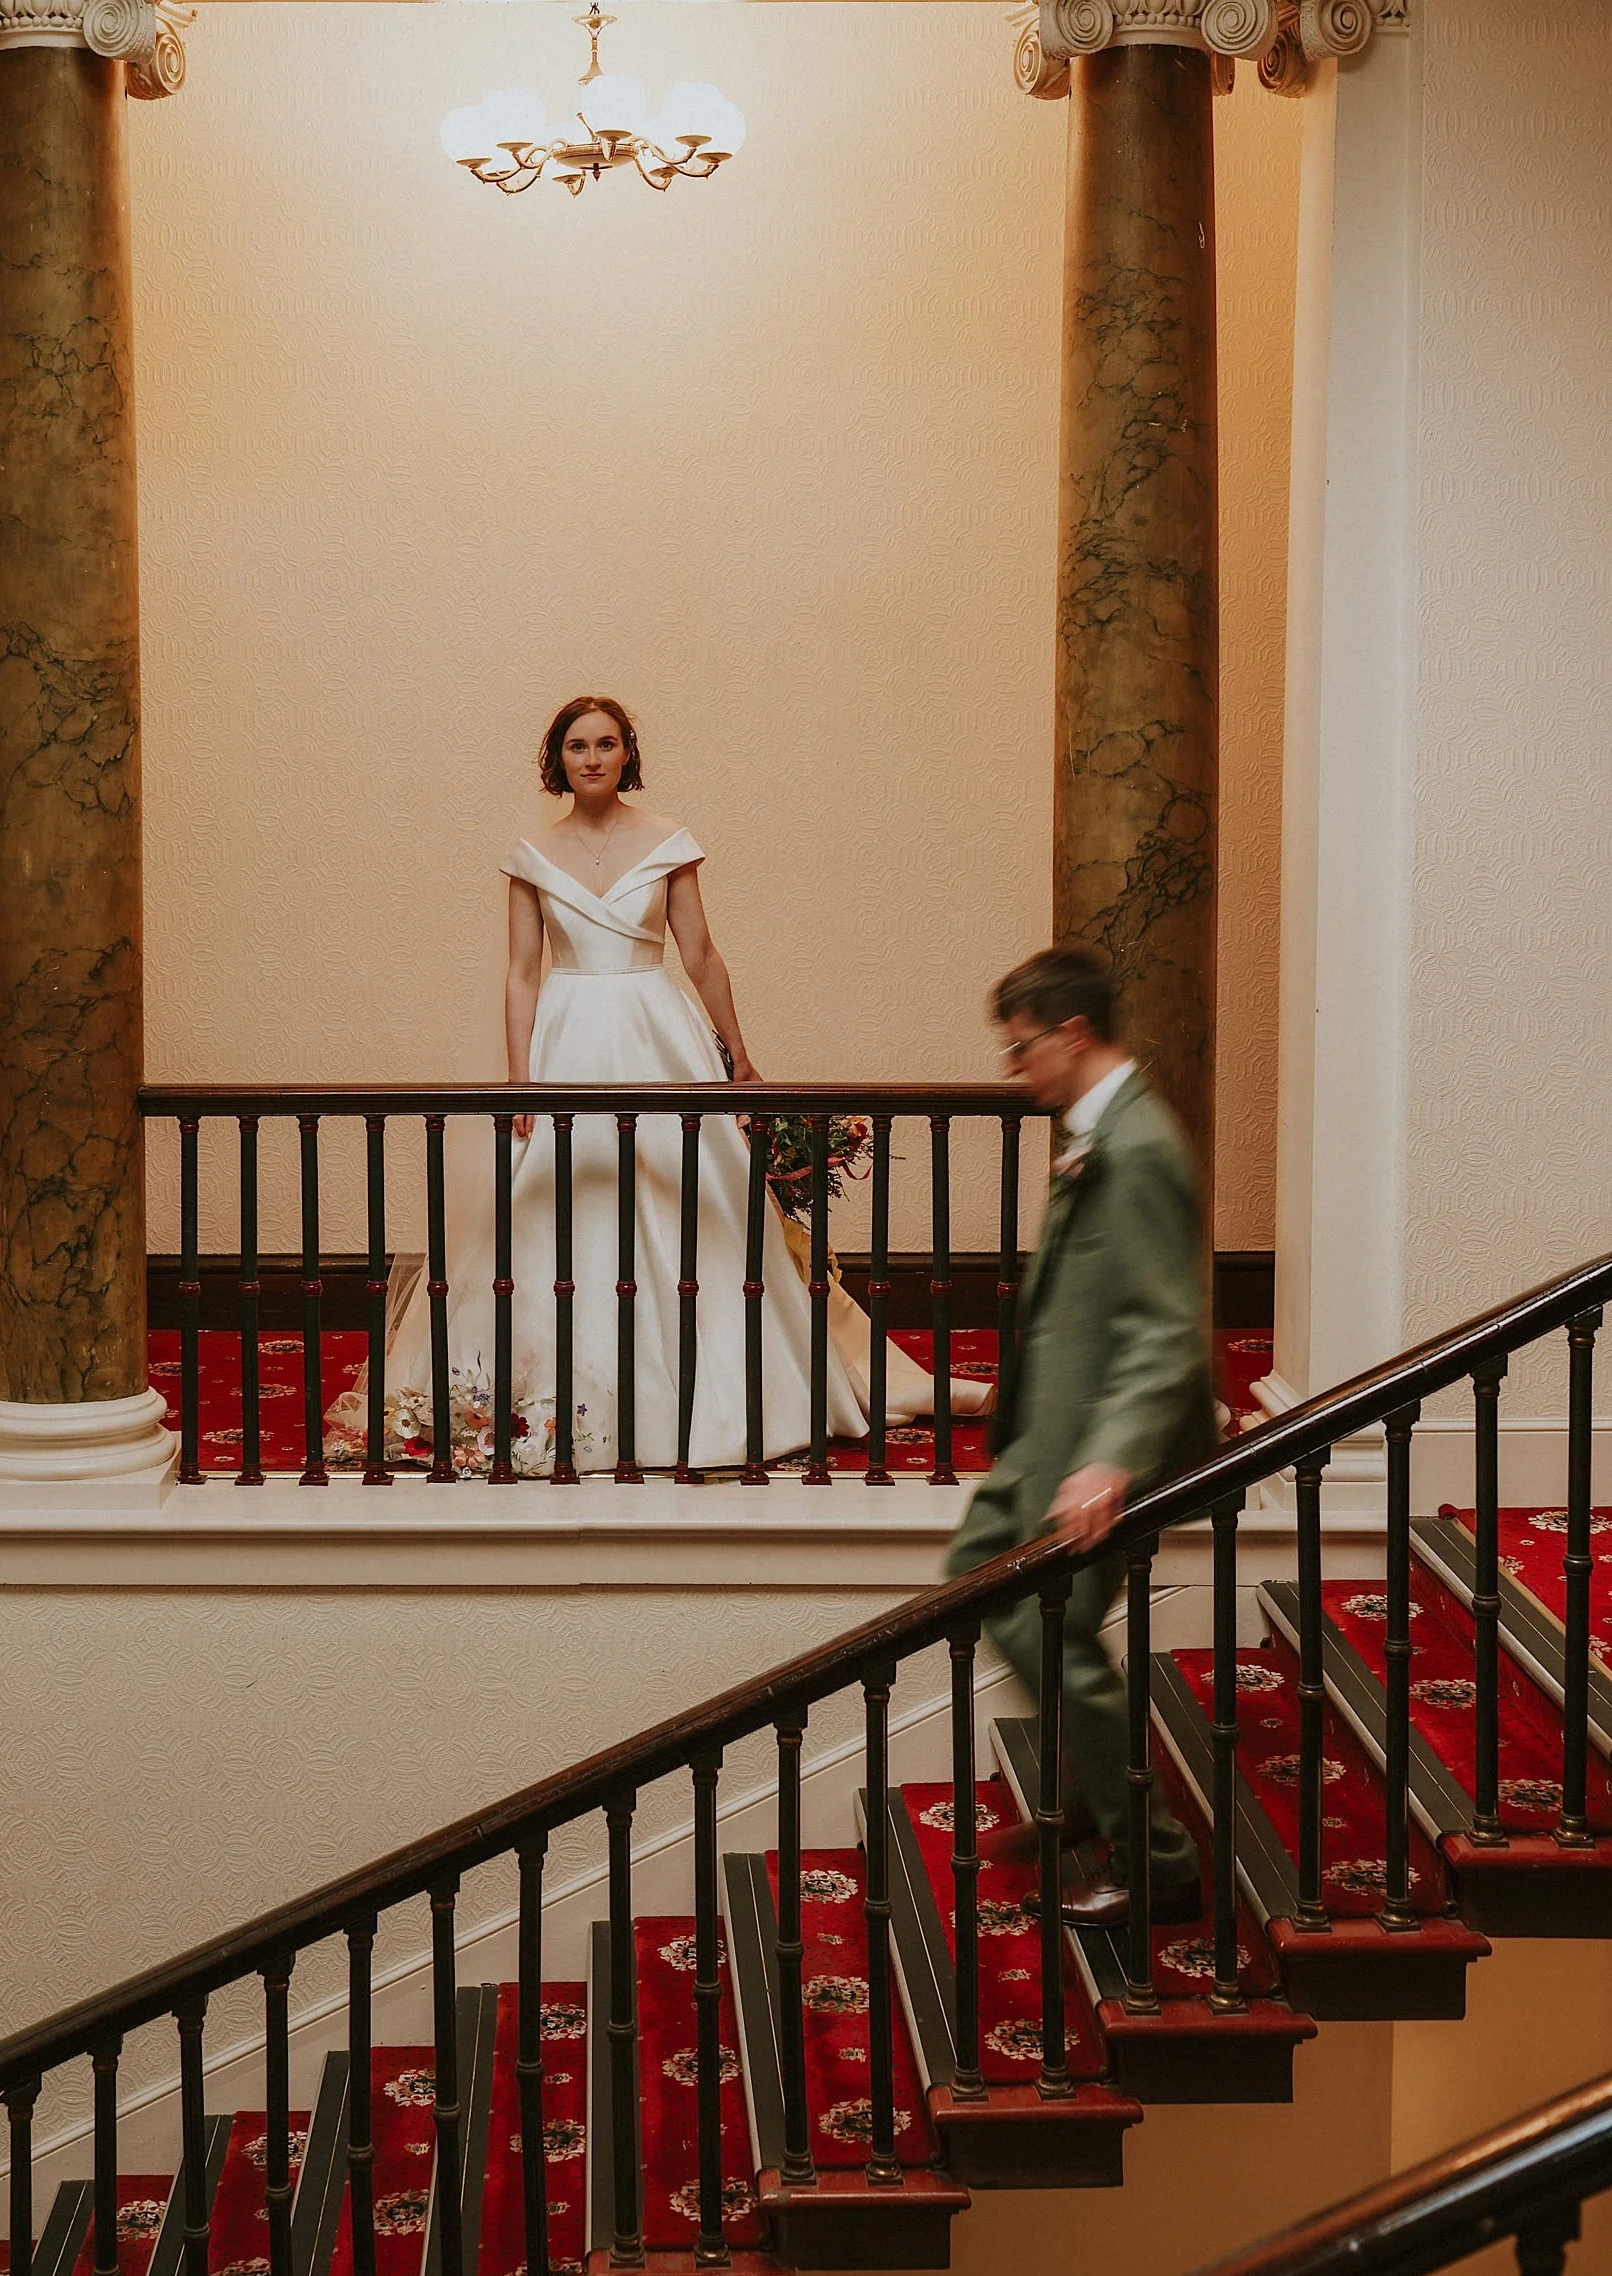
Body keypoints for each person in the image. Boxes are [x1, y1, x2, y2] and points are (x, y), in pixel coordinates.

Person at [376, 695, 983, 1472]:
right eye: (575, 746)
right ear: (555, 760)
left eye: (605, 744)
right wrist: (521, 1079)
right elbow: (523, 974)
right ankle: (545, 1402)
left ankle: (721, 1400)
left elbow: (700, 957)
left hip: (658, 1032)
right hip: (565, 1039)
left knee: (696, 1197)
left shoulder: (669, 843)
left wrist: (738, 1054)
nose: (591, 758)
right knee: (547, 1210)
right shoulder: (529, 856)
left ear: (627, 753)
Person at [943, 944, 1215, 1927]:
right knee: (977, 1570)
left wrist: (1107, 1459)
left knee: (1042, 1626)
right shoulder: (1094, 1127)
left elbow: (1165, 1325)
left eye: (1019, 1051)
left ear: (1069, 1033)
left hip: (1107, 1449)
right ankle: (1089, 1799)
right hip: (1048, 1431)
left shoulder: (1137, 1146)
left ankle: (1157, 1859)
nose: (1013, 1071)